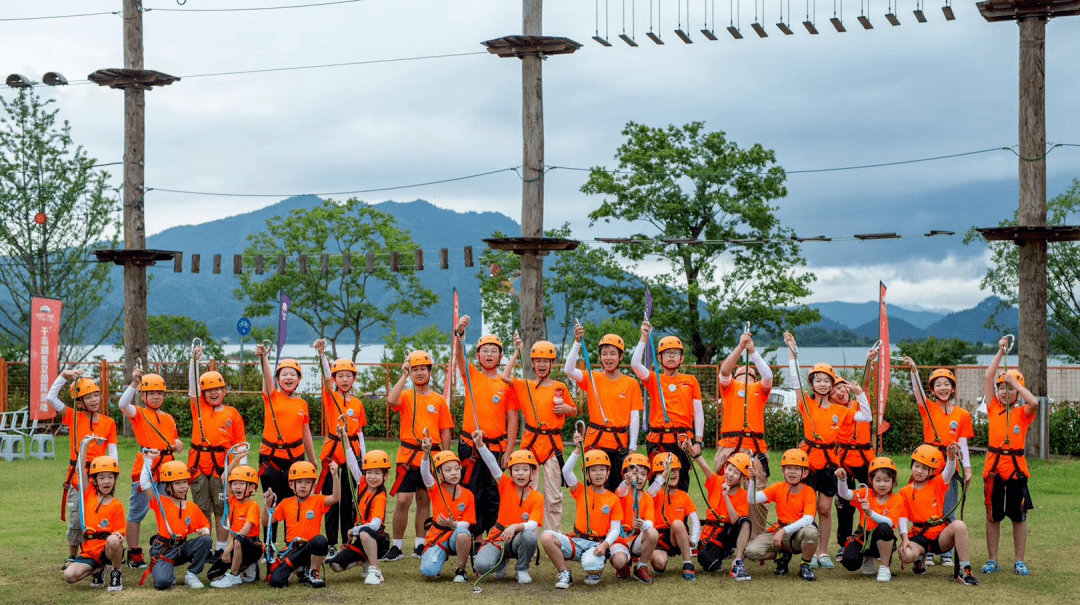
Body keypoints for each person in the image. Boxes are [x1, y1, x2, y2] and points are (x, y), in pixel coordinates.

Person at [783, 331, 871, 569]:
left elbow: (867, 416)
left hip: (830, 464)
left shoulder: (840, 410)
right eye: (817, 380)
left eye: (826, 380)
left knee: (824, 509)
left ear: (832, 384)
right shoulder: (806, 404)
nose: (822, 383)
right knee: (806, 509)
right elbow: (795, 381)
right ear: (812, 383)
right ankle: (806, 551)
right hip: (807, 463)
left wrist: (860, 394)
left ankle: (823, 552)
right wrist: (793, 351)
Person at [501, 334, 578, 533]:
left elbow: (575, 410)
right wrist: (517, 352)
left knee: (554, 496)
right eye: (538, 361)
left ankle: (554, 536)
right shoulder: (525, 385)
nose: (542, 365)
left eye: (546, 361)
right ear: (533, 363)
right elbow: (505, 377)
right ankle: (527, 535)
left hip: (553, 445)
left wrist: (567, 410)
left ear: (552, 364)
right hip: (531, 445)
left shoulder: (559, 388)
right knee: (527, 492)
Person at [453, 316, 519, 546]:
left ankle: (493, 538)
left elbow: (513, 420)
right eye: (484, 351)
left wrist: (509, 451)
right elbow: (459, 359)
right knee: (472, 493)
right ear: (478, 356)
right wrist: (459, 335)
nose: (489, 354)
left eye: (494, 351)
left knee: (494, 496)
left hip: (495, 447)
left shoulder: (506, 383)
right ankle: (474, 539)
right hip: (470, 447)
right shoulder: (472, 376)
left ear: (501, 357)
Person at [902, 356, 974, 567]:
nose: (943, 388)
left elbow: (962, 443)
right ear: (932, 390)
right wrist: (914, 371)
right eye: (938, 385)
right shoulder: (929, 408)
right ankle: (928, 549)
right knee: (925, 506)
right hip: (928, 463)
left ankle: (947, 553)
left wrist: (967, 469)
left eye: (947, 384)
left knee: (948, 506)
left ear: (953, 388)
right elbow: (918, 393)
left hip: (950, 466)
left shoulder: (962, 414)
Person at [386, 350, 454, 562]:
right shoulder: (406, 396)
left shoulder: (439, 400)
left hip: (431, 456)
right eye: (415, 370)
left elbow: (445, 430)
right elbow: (391, 399)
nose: (419, 373)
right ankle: (397, 546)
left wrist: (445, 458)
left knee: (425, 500)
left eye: (422, 369)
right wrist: (404, 375)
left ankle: (420, 544)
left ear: (429, 372)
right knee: (403, 500)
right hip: (407, 456)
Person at [46, 369, 119, 568]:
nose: (94, 399)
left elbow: (113, 452)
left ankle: (101, 553)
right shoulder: (73, 416)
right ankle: (72, 555)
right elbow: (51, 397)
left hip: (101, 478)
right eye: (88, 397)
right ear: (79, 402)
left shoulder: (109, 423)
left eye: (96, 394)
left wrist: (113, 476)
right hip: (77, 478)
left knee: (100, 517)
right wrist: (62, 375)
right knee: (76, 520)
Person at [981, 336, 1040, 576]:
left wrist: (1015, 383)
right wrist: (1000, 353)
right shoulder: (993, 407)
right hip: (994, 468)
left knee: (1019, 516)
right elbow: (988, 377)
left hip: (1016, 468)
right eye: (1002, 388)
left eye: (1010, 389)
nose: (1005, 392)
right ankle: (993, 559)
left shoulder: (1023, 413)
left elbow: (1034, 401)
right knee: (993, 516)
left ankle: (1019, 560)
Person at [563, 321, 643, 491]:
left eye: (613, 354)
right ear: (599, 357)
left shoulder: (630, 383)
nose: (608, 358)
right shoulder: (593, 378)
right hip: (596, 443)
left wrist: (633, 449)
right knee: (596, 490)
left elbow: (634, 417)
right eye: (604, 354)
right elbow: (569, 370)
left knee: (620, 489)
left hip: (620, 445)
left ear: (621, 357)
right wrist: (577, 342)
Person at [117, 367, 183, 570]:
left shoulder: (169, 418)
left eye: (159, 393)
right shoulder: (139, 414)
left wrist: (178, 444)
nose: (156, 397)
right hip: (146, 467)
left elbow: (173, 439)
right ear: (144, 395)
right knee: (137, 512)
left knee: (167, 510)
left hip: (168, 470)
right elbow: (122, 404)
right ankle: (134, 552)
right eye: (151, 393)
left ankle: (166, 546)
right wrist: (134, 383)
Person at [630, 319, 704, 491]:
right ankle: (654, 518)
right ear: (659, 358)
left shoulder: (691, 381)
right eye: (667, 353)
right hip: (658, 440)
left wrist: (699, 441)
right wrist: (643, 337)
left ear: (682, 358)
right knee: (657, 483)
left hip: (682, 440)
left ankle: (680, 517)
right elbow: (634, 364)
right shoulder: (654, 378)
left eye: (675, 353)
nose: (671, 356)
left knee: (681, 482)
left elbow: (698, 413)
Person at [540, 436, 622, 589]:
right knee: (546, 537)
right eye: (593, 470)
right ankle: (565, 573)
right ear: (586, 473)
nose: (598, 474)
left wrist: (604, 545)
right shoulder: (580, 489)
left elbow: (616, 529)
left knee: (592, 565)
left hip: (597, 544)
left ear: (608, 472)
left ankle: (595, 571)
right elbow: (566, 471)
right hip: (576, 541)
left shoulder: (614, 499)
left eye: (602, 469)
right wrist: (577, 450)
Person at [187, 347, 247, 553]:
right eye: (208, 390)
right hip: (198, 466)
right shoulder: (199, 409)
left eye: (217, 389)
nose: (213, 393)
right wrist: (194, 362)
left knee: (222, 509)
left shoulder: (233, 413)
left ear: (224, 391)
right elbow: (192, 389)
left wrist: (238, 473)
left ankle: (221, 549)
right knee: (202, 509)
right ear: (203, 394)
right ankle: (205, 547)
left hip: (223, 468)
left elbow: (241, 445)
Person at [254, 346, 317, 538]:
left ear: (299, 379)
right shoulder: (271, 396)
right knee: (271, 500)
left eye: (293, 375)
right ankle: (270, 547)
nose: (288, 378)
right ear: (278, 378)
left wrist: (312, 461)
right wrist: (265, 357)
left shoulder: (302, 404)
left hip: (295, 459)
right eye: (284, 374)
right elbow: (266, 378)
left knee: (293, 502)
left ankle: (292, 543)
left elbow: (306, 434)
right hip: (270, 458)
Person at [313, 339, 368, 558]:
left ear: (354, 379)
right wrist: (322, 356)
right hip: (332, 454)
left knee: (349, 500)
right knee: (331, 500)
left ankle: (348, 539)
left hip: (352, 454)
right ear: (335, 379)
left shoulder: (357, 403)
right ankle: (331, 543)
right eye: (340, 376)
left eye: (348, 376)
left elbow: (360, 432)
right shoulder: (330, 397)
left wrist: (364, 457)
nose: (344, 380)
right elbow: (326, 379)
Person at [715, 330, 773, 534]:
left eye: (750, 374)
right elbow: (724, 371)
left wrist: (753, 352)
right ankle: (723, 536)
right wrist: (740, 347)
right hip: (730, 447)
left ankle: (755, 538)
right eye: (741, 374)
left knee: (757, 496)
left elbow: (768, 376)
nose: (746, 377)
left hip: (754, 450)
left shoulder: (760, 390)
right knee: (725, 491)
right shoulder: (729, 387)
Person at [897, 444, 979, 585]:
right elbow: (902, 518)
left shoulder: (937, 484)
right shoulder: (904, 492)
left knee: (959, 526)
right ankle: (919, 560)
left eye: (924, 468)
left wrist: (951, 456)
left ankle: (964, 569)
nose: (919, 471)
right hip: (918, 536)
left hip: (939, 536)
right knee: (905, 554)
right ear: (912, 466)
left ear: (931, 471)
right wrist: (904, 539)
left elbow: (949, 471)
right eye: (916, 466)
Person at [471, 432, 545, 584]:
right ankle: (501, 561)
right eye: (516, 469)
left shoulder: (538, 497)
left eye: (525, 469)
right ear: (510, 472)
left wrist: (516, 527)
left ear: (532, 473)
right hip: (499, 535)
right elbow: (492, 463)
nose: (520, 473)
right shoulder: (505, 484)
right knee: (481, 565)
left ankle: (522, 569)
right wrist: (480, 445)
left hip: (518, 537)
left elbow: (533, 523)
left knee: (530, 536)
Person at [140, 452, 215, 590]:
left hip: (182, 548)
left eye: (185, 482)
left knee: (206, 540)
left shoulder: (191, 507)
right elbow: (145, 484)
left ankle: (192, 574)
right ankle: (165, 572)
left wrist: (204, 530)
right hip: (164, 550)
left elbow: (205, 525)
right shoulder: (160, 502)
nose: (183, 487)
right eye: (177, 483)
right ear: (167, 486)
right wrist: (149, 460)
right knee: (163, 583)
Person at [744, 449, 820, 582]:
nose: (791, 472)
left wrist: (784, 531)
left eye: (797, 469)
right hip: (780, 531)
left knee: (811, 532)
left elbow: (809, 518)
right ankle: (781, 556)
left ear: (805, 473)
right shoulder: (778, 487)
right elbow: (752, 499)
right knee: (751, 551)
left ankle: (805, 565)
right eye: (788, 468)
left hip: (797, 534)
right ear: (783, 471)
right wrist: (752, 480)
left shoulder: (808, 491)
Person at [265, 460, 341, 588]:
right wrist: (267, 503)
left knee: (320, 541)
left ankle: (313, 571)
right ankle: (299, 569)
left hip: (310, 548)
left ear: (313, 485)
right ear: (291, 484)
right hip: (292, 549)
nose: (303, 486)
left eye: (307, 482)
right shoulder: (285, 503)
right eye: (299, 482)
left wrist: (335, 476)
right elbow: (266, 522)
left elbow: (335, 498)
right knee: (276, 581)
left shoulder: (317, 500)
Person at [326, 440, 392, 586]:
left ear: (385, 476)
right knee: (335, 565)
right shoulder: (363, 485)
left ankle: (375, 570)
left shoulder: (380, 497)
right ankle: (365, 561)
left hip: (377, 540)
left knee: (365, 532)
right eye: (369, 473)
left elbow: (374, 525)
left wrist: (353, 530)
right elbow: (352, 464)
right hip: (361, 540)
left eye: (377, 473)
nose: (372, 477)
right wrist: (344, 438)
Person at [832, 356, 877, 560]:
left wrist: (869, 362)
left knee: (873, 500)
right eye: (833, 392)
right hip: (845, 460)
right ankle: (844, 543)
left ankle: (872, 538)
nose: (838, 393)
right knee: (844, 504)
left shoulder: (861, 402)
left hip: (866, 459)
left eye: (840, 388)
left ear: (848, 388)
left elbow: (865, 384)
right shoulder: (834, 411)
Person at [834, 457, 905, 582]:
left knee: (884, 527)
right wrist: (842, 479)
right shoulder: (865, 493)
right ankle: (866, 558)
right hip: (863, 535)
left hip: (881, 537)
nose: (882, 484)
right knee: (850, 562)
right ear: (871, 481)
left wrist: (870, 513)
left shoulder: (897, 499)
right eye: (878, 480)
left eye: (886, 480)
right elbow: (845, 494)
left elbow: (889, 523)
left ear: (893, 482)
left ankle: (884, 567)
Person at [687, 447, 753, 581]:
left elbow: (735, 520)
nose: (729, 474)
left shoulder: (744, 496)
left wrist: (726, 496)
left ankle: (738, 562)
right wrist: (692, 451)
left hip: (730, 531)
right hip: (712, 533)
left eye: (735, 472)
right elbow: (704, 467)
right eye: (729, 469)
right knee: (708, 563)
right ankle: (724, 552)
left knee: (745, 521)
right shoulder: (717, 482)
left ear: (742, 479)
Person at [62, 456, 126, 592]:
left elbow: (121, 531)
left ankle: (116, 572)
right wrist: (85, 444)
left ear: (115, 480)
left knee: (113, 540)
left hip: (107, 551)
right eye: (101, 478)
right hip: (90, 552)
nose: (106, 481)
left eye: (110, 477)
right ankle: (97, 569)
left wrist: (119, 535)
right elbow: (80, 467)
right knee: (69, 576)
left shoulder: (117, 506)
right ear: (95, 481)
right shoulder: (88, 494)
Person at [417, 439, 475, 582]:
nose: (454, 473)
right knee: (429, 572)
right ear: (438, 474)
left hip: (457, 534)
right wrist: (426, 453)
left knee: (463, 534)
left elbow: (467, 523)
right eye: (448, 470)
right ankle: (438, 555)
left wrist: (453, 525)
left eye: (456, 468)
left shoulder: (468, 494)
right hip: (438, 536)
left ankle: (461, 570)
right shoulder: (435, 488)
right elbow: (424, 473)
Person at [207, 462, 263, 588]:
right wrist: (237, 457)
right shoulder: (233, 500)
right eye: (234, 483)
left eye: (242, 483)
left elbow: (245, 531)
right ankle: (249, 567)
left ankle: (234, 575)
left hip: (252, 546)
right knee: (212, 575)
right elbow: (223, 477)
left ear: (252, 487)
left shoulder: (252, 505)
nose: (237, 487)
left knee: (239, 539)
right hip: (237, 545)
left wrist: (227, 549)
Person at [646, 452, 700, 581]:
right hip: (659, 538)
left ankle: (688, 563)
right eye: (670, 471)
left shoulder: (683, 496)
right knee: (658, 564)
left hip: (676, 536)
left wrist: (694, 540)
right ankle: (660, 563)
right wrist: (665, 473)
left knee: (677, 523)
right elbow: (650, 492)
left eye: (676, 470)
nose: (673, 474)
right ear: (658, 475)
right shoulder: (654, 494)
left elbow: (695, 520)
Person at [609, 452, 658, 584]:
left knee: (652, 533)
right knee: (619, 561)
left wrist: (642, 524)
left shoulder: (648, 498)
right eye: (635, 473)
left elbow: (649, 523)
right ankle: (623, 563)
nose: (640, 478)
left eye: (643, 474)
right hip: (620, 539)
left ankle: (641, 566)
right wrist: (626, 482)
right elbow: (620, 490)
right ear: (627, 474)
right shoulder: (622, 492)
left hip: (637, 538)